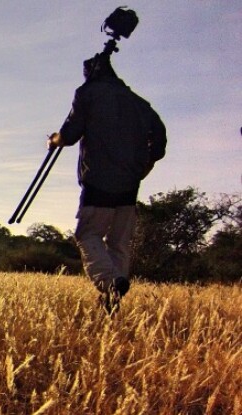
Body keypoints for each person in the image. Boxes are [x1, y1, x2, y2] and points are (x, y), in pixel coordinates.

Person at [48, 53, 167, 314]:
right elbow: (159, 141)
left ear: (90, 73)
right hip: (130, 185)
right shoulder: (139, 103)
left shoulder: (87, 93)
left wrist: (54, 140)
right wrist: (145, 166)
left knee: (87, 235)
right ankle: (113, 303)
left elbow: (69, 134)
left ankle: (110, 282)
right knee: (119, 243)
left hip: (98, 182)